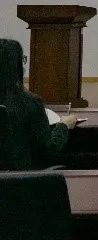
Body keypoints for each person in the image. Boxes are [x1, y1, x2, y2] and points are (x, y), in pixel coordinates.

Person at [0, 38, 78, 169]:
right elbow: (47, 151)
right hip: (22, 178)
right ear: (17, 67)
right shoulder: (30, 104)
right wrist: (63, 126)